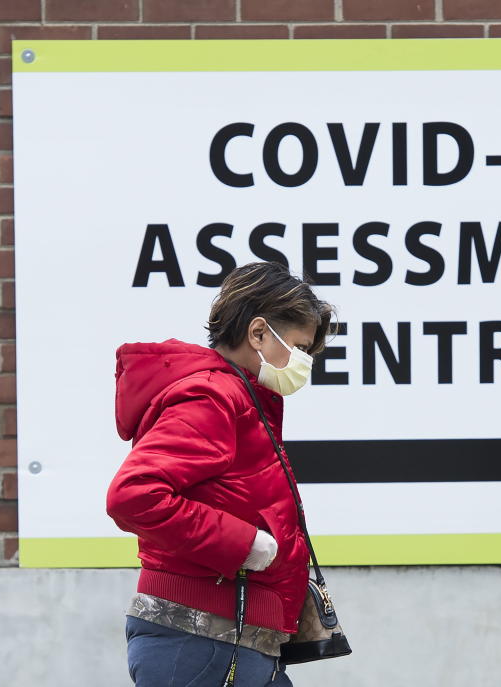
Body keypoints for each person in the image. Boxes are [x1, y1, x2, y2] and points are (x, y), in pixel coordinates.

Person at [106, 261, 334, 687]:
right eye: (301, 347)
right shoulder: (212, 396)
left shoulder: (241, 397)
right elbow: (133, 494)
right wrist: (243, 543)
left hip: (229, 640)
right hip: (201, 639)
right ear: (259, 333)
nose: (305, 362)